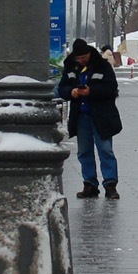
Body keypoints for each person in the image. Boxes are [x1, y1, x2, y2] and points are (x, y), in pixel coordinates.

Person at [56, 39, 122, 198]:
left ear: (89, 53)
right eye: (78, 58)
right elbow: (62, 88)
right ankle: (90, 184)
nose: (80, 60)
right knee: (84, 151)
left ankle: (110, 184)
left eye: (83, 57)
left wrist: (91, 91)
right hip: (81, 116)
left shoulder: (102, 66)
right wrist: (71, 92)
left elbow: (111, 88)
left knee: (105, 149)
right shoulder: (71, 67)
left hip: (101, 116)